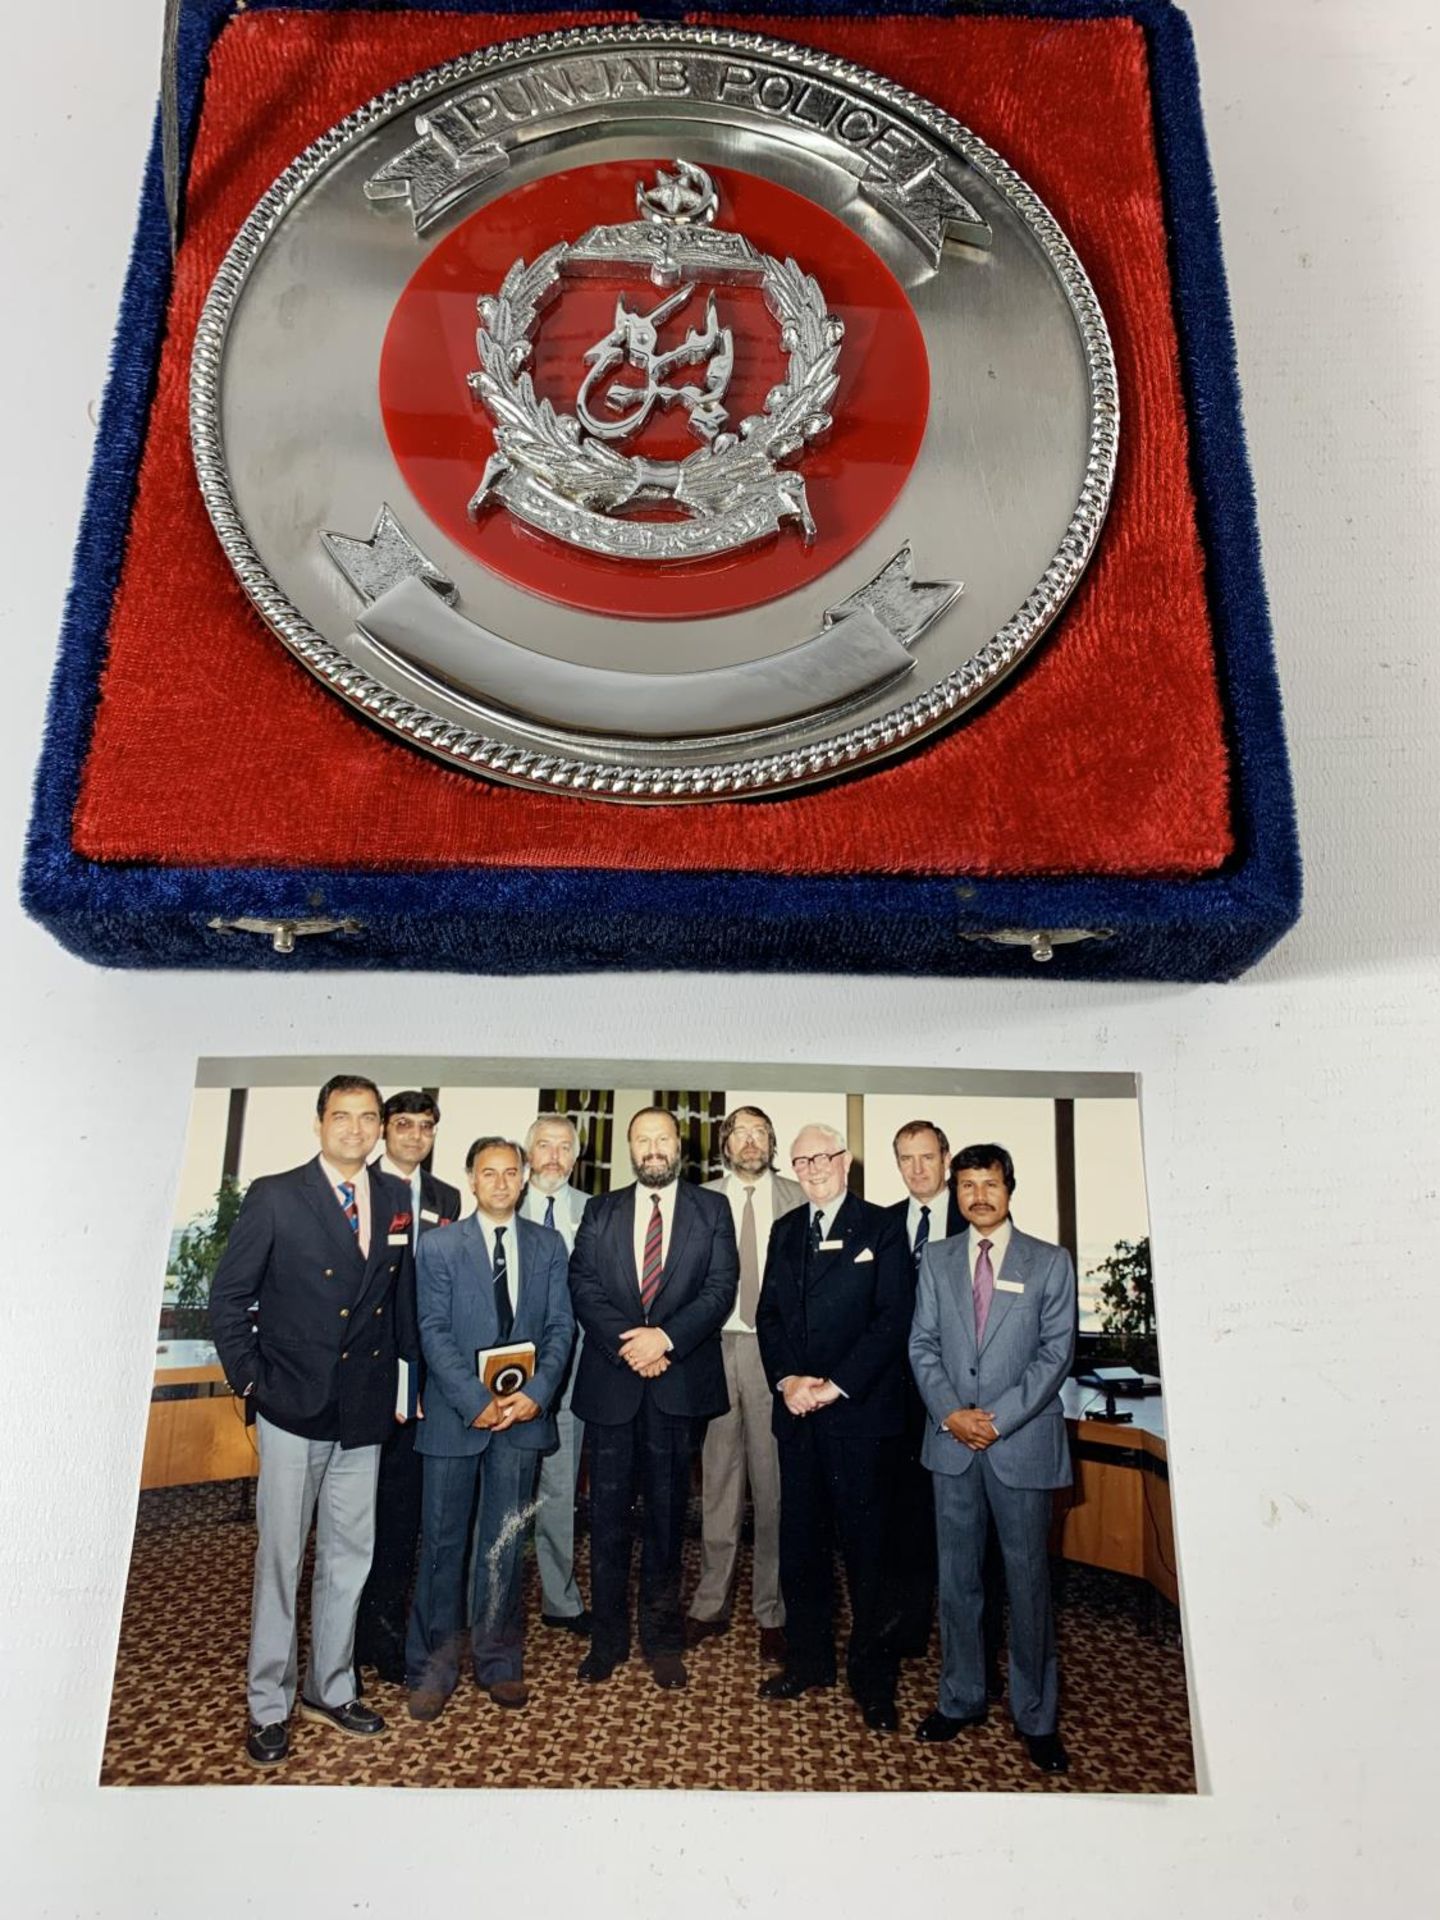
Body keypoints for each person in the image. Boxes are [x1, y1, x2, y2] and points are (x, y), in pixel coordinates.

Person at [209, 1074, 417, 1768]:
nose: (355, 1130)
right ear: (319, 1122)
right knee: (281, 1560)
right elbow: (229, 1297)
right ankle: (268, 1704)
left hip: (361, 1409)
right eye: (342, 1116)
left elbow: (397, 1301)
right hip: (292, 1406)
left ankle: (331, 1687)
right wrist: (250, 1380)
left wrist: (402, 1385)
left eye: (368, 1118)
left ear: (382, 1127)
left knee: (349, 1559)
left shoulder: (393, 1197)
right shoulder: (275, 1195)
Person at [908, 1143, 1076, 1773]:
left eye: (991, 1184)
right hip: (951, 1443)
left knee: (1028, 1582)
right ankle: (961, 1697)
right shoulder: (937, 1258)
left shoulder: (1050, 1262)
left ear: (1011, 1188)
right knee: (957, 1581)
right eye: (968, 1185)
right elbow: (922, 1343)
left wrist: (996, 1420)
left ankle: (1037, 1717)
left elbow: (1054, 1355)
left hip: (1021, 1445)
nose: (979, 1196)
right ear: (956, 1192)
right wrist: (952, 1412)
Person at [567, 1107, 738, 1690]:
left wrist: (664, 1339)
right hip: (613, 1385)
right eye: (643, 1140)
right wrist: (632, 1345)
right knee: (607, 1521)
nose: (654, 1148)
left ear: (680, 1146)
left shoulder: (712, 1210)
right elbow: (582, 1285)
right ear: (630, 1149)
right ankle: (607, 1640)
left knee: (668, 1521)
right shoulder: (600, 1209)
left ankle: (662, 1641)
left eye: (663, 1138)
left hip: (678, 1382)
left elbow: (720, 1289)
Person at [405, 1138, 574, 1717]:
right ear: (471, 1181)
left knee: (503, 1545)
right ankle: (432, 1668)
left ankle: (499, 1663)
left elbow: (560, 1327)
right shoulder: (440, 1246)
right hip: (457, 1417)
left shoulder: (548, 1245)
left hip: (523, 1418)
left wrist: (536, 1393)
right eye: (488, 1173)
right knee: (444, 1544)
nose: (500, 1182)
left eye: (510, 1172)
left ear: (524, 1179)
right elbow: (432, 1329)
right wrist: (474, 1399)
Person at [754, 1123, 913, 1732]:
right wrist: (787, 1381)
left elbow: (890, 1319)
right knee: (800, 1549)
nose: (814, 1167)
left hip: (859, 1416)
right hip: (797, 1416)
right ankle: (809, 1661)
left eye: (823, 1156)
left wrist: (832, 1385)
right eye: (802, 1160)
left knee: (868, 1556)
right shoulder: (786, 1229)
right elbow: (768, 1314)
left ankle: (872, 1681)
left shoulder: (881, 1227)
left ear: (845, 1161)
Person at [686, 1105, 804, 1663]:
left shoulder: (800, 1198)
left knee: (774, 1483)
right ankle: (710, 1604)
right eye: (741, 1133)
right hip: (712, 1348)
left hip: (772, 1353)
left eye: (762, 1132)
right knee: (719, 1481)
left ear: (772, 1143)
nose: (751, 1142)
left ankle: (772, 1611)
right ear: (725, 1144)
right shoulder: (699, 1198)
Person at [354, 1090, 462, 1683]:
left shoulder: (446, 1197)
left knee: (401, 1511)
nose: (415, 1136)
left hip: (424, 1372)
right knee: (353, 1515)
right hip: (369, 1371)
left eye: (426, 1126)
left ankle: (385, 1632)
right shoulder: (362, 1187)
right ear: (384, 1130)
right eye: (404, 1125)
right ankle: (346, 1633)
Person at [517, 1113, 591, 1635]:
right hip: (506, 1371)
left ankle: (560, 1599)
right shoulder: (500, 1201)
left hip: (573, 1369)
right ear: (527, 1152)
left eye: (565, 1148)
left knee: (560, 1488)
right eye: (544, 1145)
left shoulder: (596, 1212)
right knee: (499, 1491)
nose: (554, 1157)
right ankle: (490, 1599)